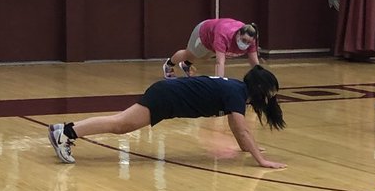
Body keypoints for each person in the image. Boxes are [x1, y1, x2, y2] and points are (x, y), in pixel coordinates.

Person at [47, 65, 286, 169]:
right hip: (167, 97)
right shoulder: (237, 94)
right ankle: (66, 133)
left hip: (168, 95)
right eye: (270, 92)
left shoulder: (237, 90)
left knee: (120, 123)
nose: (271, 98)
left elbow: (239, 133)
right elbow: (241, 129)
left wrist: (248, 149)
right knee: (121, 125)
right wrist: (261, 161)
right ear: (259, 89)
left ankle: (65, 130)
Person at [164, 19, 260, 79]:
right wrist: (219, 84)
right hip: (204, 33)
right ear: (238, 34)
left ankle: (185, 65)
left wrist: (261, 78)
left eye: (248, 42)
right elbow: (220, 63)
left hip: (213, 41)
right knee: (190, 54)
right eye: (244, 40)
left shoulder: (251, 39)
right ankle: (168, 65)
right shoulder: (224, 35)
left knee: (203, 57)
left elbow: (254, 62)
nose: (245, 44)